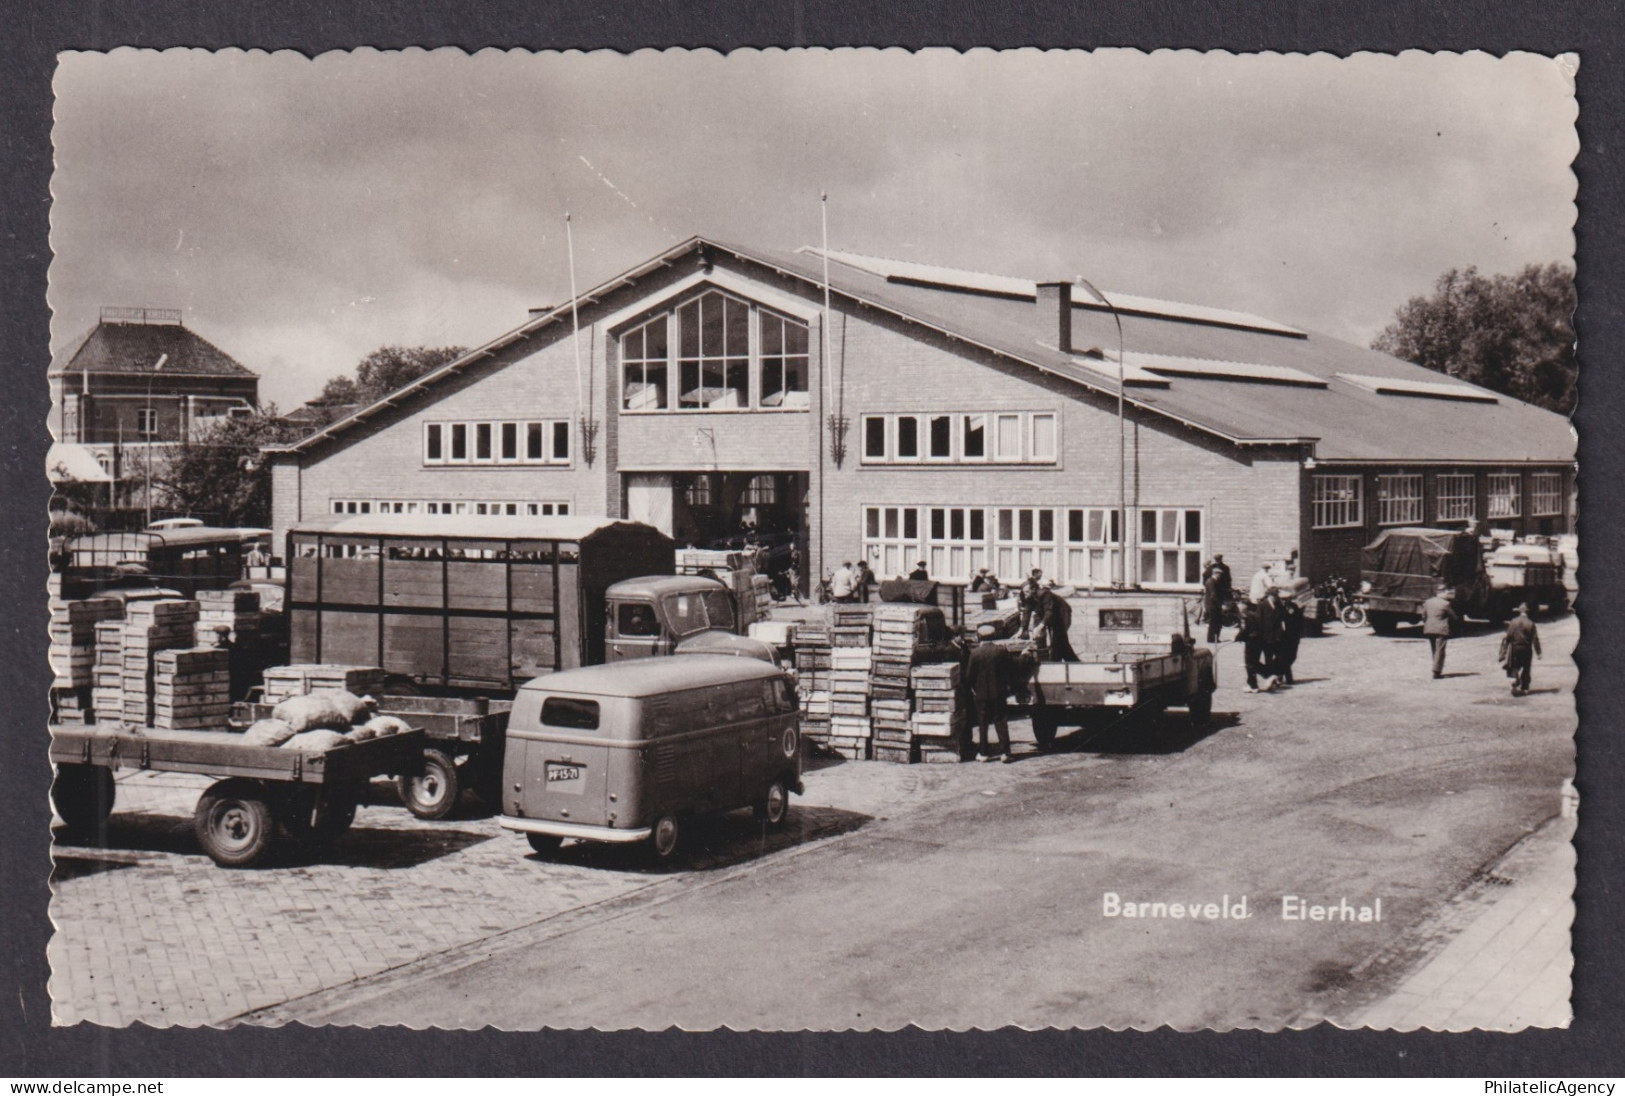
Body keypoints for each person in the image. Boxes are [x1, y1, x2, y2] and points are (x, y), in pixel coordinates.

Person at [966, 635, 1018, 763]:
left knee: (982, 724)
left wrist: (974, 688)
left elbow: (969, 676)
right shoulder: (1000, 651)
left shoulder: (975, 653)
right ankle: (1005, 753)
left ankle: (984, 753)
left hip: (981, 695)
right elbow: (1013, 665)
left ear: (979, 638)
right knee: (1001, 721)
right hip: (999, 694)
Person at [1237, 596, 1279, 693]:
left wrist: (1236, 637)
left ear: (1244, 606)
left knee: (1249, 663)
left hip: (1251, 641)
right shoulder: (1255, 615)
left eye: (1240, 604)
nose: (1238, 606)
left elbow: (1244, 630)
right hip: (1259, 640)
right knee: (1254, 662)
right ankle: (1261, 678)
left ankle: (1254, 685)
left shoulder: (1244, 615)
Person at [1499, 603, 1543, 696]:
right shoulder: (1531, 623)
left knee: (1514, 666)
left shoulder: (1513, 622)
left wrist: (1503, 652)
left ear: (1519, 611)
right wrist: (1538, 652)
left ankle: (1514, 681)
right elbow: (1535, 638)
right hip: (1526, 648)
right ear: (1528, 611)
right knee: (1526, 668)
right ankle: (1525, 688)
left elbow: (1508, 637)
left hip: (1515, 648)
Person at [1421, 585, 1462, 679]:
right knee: (1440, 650)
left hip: (1429, 629)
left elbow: (1423, 616)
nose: (1448, 595)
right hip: (1441, 630)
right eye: (1447, 593)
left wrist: (1427, 623)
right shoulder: (1445, 604)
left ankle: (1436, 667)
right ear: (1442, 592)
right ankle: (1436, 671)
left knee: (1434, 650)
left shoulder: (1428, 602)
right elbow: (1454, 617)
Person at [1039, 583, 1078, 663]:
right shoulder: (1039, 598)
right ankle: (1070, 662)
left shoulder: (1048, 596)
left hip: (1062, 617)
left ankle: (1056, 663)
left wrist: (1041, 626)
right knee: (1062, 646)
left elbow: (1050, 612)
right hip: (1055, 621)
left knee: (1059, 640)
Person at [1272, 588, 1303, 685]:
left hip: (1293, 636)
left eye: (1286, 599)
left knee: (1292, 656)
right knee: (1282, 657)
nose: (1284, 601)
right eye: (1282, 599)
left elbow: (1299, 621)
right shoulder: (1276, 608)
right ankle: (1284, 677)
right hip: (1281, 637)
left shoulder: (1294, 607)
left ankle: (1281, 674)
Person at [1202, 555, 1233, 643]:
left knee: (1216, 622)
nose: (1220, 576)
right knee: (1214, 622)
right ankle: (1212, 638)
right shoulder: (1211, 582)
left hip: (1213, 604)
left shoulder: (1213, 581)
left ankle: (1214, 638)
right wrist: (1221, 605)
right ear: (1216, 574)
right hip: (1213, 605)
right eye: (1219, 574)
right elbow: (1213, 595)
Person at [1018, 568, 1045, 638]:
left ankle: (1038, 638)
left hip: (1038, 604)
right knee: (1027, 616)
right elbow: (1026, 611)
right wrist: (1022, 628)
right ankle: (1025, 633)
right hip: (1031, 601)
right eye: (1040, 573)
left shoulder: (1039, 586)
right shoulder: (1029, 584)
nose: (1041, 575)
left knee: (1035, 618)